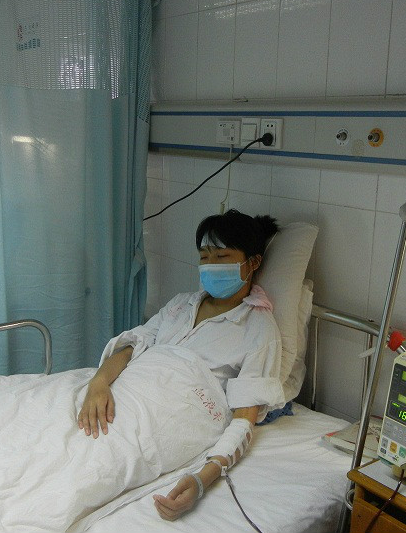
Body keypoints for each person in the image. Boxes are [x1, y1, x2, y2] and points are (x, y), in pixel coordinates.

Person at [77, 209, 284, 521]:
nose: (210, 265)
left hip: (171, 411)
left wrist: (204, 479)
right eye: (205, 256)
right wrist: (99, 383)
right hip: (125, 389)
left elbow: (244, 419)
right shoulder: (181, 303)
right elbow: (134, 346)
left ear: (252, 263)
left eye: (222, 256)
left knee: (87, 460)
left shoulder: (258, 329)